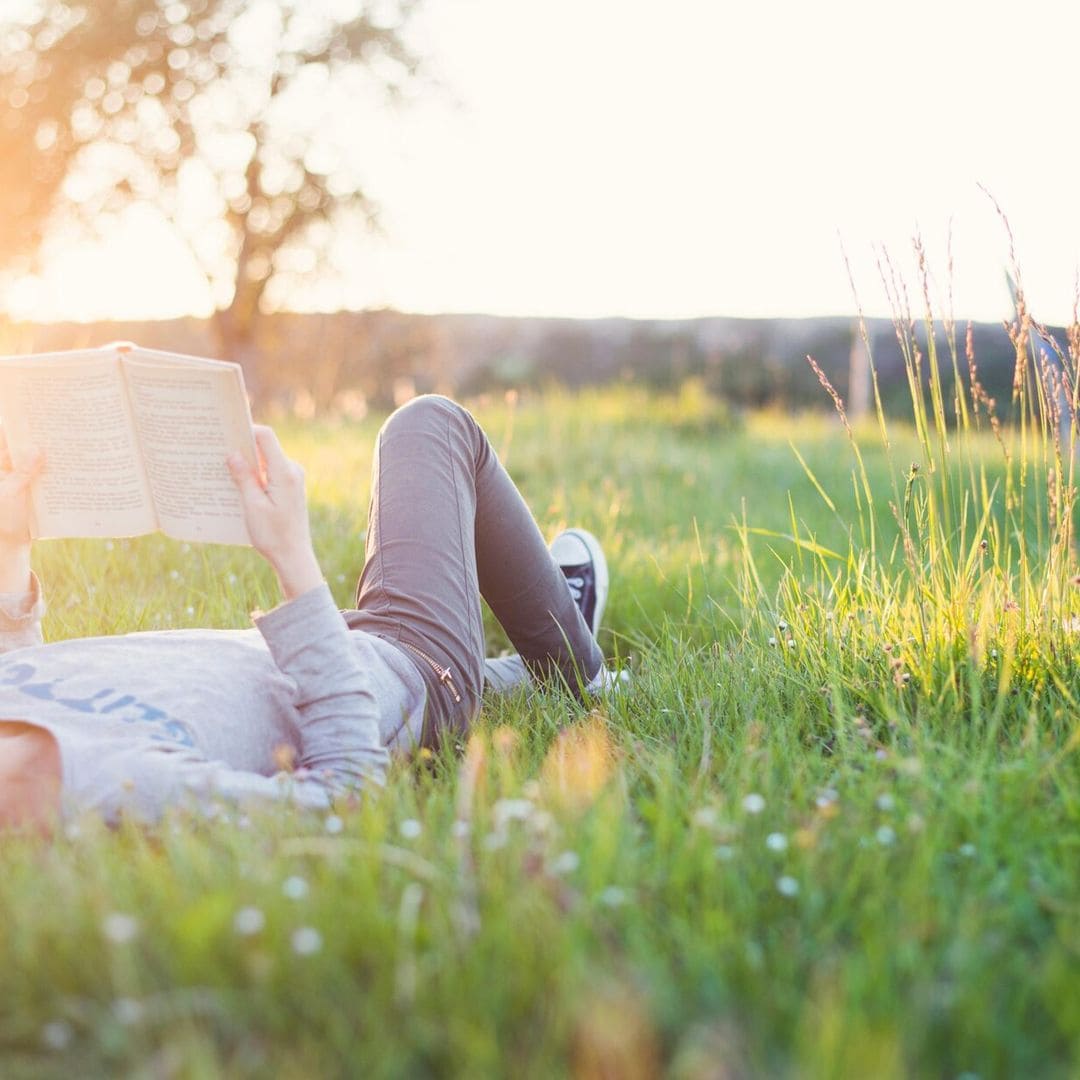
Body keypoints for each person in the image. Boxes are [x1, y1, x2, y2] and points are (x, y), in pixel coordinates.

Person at [0, 395, 618, 832]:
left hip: (309, 648)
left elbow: (25, 676)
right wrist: (291, 555)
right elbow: (344, 795)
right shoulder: (98, 783)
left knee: (512, 678)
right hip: (404, 659)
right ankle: (578, 666)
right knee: (429, 425)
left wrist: (9, 544)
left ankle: (548, 647)